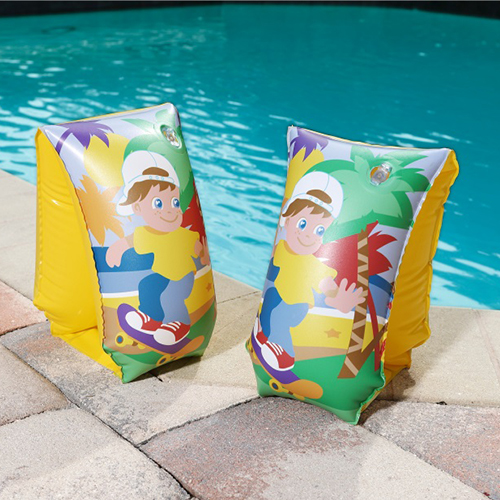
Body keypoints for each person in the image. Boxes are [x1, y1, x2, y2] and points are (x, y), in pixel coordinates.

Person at [255, 171, 366, 371]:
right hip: (279, 295)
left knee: (279, 316)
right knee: (269, 303)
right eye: (303, 224)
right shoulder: (282, 248)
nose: (308, 235)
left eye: (319, 230)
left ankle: (284, 354)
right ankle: (265, 334)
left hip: (295, 306)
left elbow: (327, 286)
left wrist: (337, 300)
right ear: (287, 221)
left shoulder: (314, 264)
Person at [106, 150, 208, 346]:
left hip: (183, 277)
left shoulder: (183, 234)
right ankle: (152, 318)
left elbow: (197, 249)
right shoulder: (145, 233)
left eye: (175, 202)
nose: (170, 209)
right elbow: (130, 241)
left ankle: (179, 323)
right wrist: (117, 249)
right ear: (137, 209)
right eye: (158, 203)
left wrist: (202, 255)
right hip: (163, 274)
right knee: (147, 286)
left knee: (170, 296)